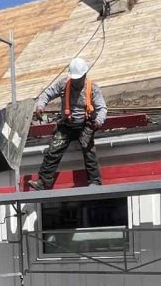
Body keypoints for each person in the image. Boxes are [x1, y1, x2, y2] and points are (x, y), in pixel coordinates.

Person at [34, 57, 108, 189]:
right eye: (74, 78)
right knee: (53, 150)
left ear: (84, 75)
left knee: (89, 151)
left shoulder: (93, 89)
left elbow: (102, 108)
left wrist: (98, 121)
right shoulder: (63, 84)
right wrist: (40, 106)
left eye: (78, 78)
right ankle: (43, 182)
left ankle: (95, 181)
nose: (75, 81)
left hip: (85, 125)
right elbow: (47, 94)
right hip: (67, 125)